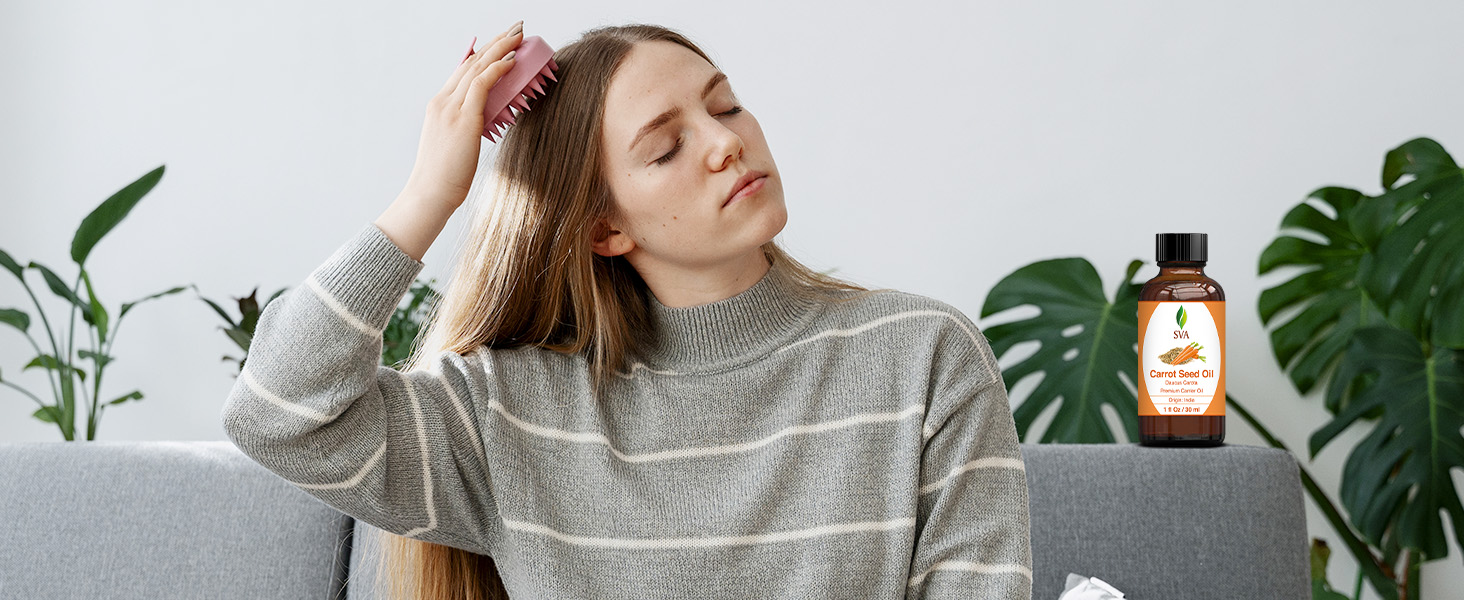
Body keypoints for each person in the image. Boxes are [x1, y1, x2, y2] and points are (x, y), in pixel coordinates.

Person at [221, 19, 1033, 600]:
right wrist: (430, 195)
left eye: (725, 104)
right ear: (605, 228)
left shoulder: (922, 358)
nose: (726, 142)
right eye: (665, 146)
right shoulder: (512, 413)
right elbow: (277, 417)